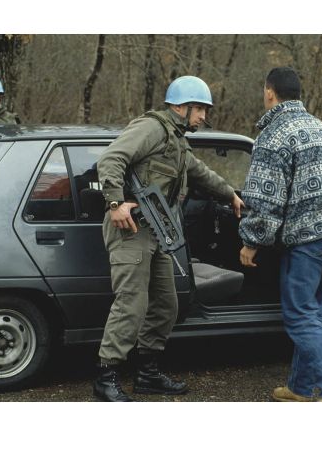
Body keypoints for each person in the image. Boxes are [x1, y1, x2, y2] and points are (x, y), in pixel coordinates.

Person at [94, 75, 244, 402]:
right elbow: (111, 159)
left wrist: (230, 194)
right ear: (181, 105)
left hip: (156, 231)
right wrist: (115, 203)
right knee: (131, 304)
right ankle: (106, 376)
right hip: (131, 229)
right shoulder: (151, 129)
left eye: (205, 109)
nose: (204, 115)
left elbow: (199, 171)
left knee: (165, 304)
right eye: (200, 108)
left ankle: (147, 373)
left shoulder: (176, 140)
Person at [239, 67, 322, 402]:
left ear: (269, 92)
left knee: (299, 316)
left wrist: (251, 241)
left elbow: (265, 198)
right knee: (313, 312)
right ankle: (302, 387)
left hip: (308, 239)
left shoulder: (274, 137)